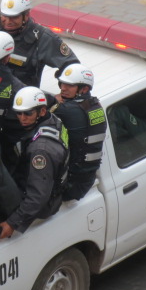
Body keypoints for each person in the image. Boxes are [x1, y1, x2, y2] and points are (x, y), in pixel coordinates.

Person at [0, 87, 69, 240]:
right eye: (19, 113)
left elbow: (38, 196)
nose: (22, 118)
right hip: (51, 186)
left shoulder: (40, 151)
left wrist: (12, 223)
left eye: (28, 113)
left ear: (42, 111)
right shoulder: (52, 120)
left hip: (43, 202)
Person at [0, 0, 79, 87]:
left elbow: (72, 67)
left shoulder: (42, 38)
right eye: (5, 16)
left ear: (26, 15)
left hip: (22, 98)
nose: (8, 21)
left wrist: (65, 94)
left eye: (14, 17)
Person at [51, 64, 106, 201]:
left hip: (72, 182)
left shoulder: (68, 110)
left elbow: (38, 111)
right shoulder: (95, 105)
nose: (63, 88)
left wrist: (54, 102)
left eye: (69, 85)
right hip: (86, 177)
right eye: (62, 83)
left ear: (84, 88)